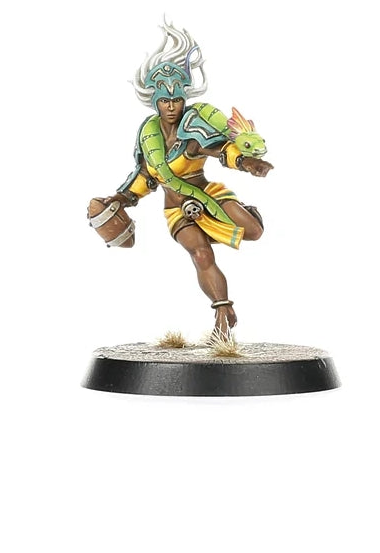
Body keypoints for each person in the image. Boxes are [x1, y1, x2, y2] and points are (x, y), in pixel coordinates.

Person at [90, 21, 273, 337]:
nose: (171, 106)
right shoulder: (148, 134)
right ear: (156, 102)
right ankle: (222, 312)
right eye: (165, 101)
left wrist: (245, 162)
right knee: (201, 254)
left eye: (176, 100)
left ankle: (236, 218)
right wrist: (121, 198)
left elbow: (219, 148)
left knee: (254, 232)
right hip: (177, 211)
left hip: (209, 194)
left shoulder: (193, 128)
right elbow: (145, 175)